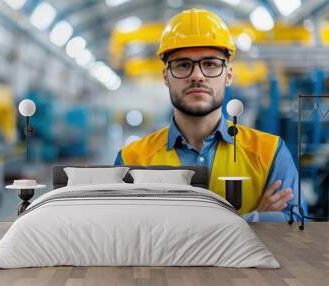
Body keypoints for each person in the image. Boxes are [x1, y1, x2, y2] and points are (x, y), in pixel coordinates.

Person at [114, 8, 307, 222]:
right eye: (183, 65)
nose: (197, 75)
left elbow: (294, 233)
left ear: (229, 75)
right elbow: (123, 238)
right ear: (165, 76)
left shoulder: (269, 153)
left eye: (210, 64)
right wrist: (252, 220)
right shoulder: (132, 159)